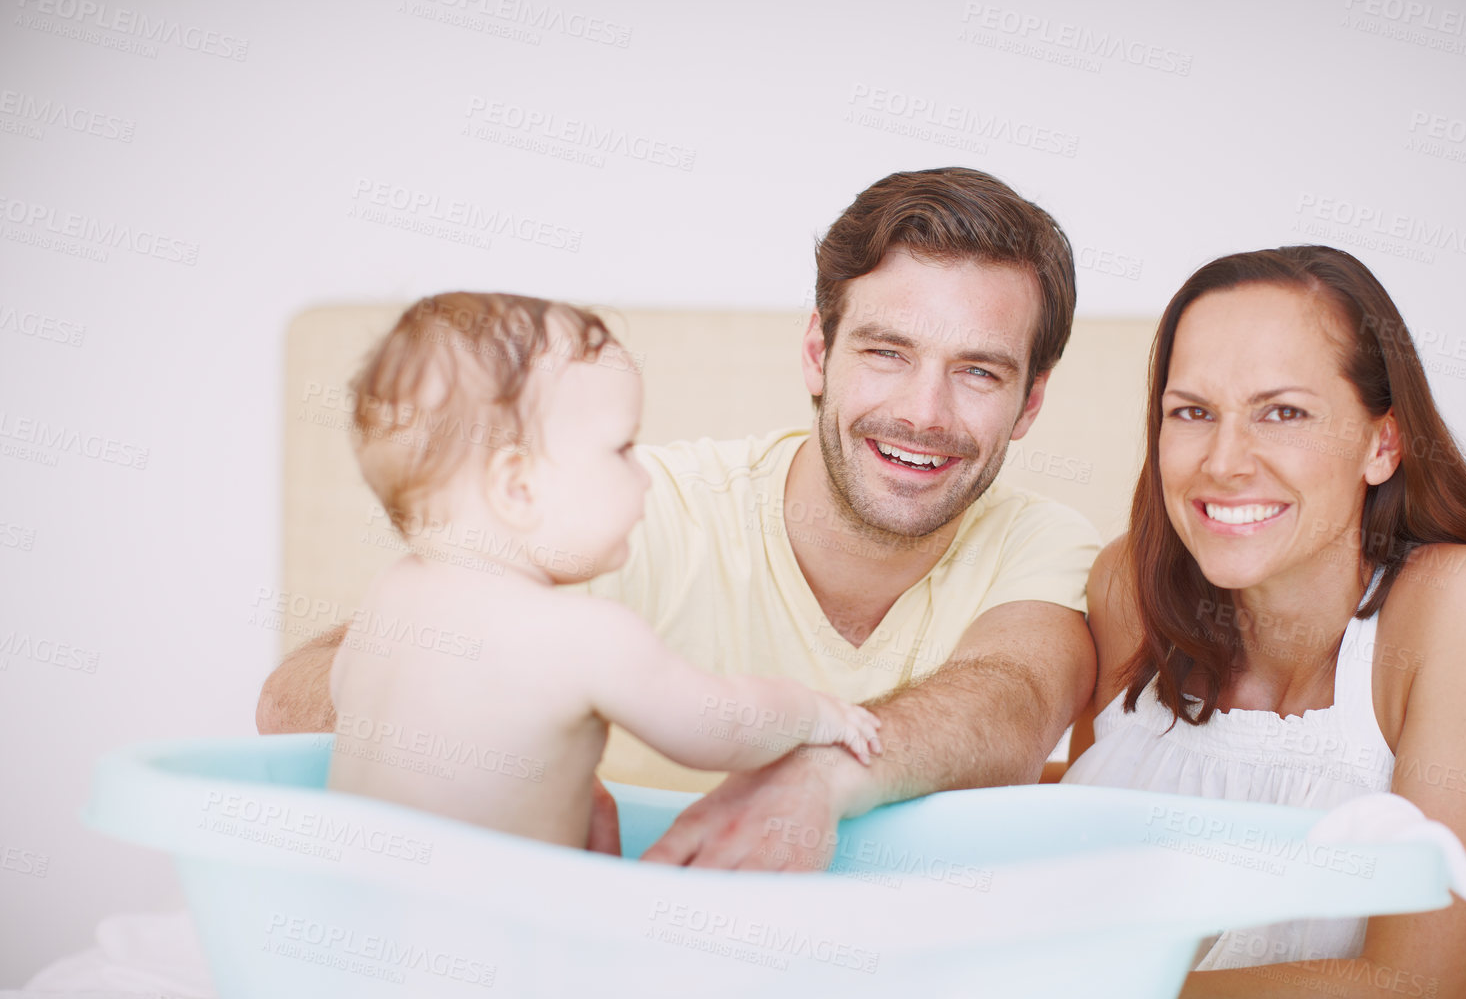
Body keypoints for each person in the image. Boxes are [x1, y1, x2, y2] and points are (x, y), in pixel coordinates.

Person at [257, 167, 1101, 867]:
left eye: (979, 373)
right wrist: (512, 756)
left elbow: (1015, 702)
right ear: (818, 352)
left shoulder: (1044, 543)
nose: (923, 412)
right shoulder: (630, 512)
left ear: (1030, 404)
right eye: (887, 352)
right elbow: (294, 701)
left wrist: (822, 773)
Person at [1063, 245, 1466, 999]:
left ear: (1383, 444)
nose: (1224, 463)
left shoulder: (1458, 606)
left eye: (1283, 413)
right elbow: (1094, 859)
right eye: (1191, 412)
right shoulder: (1129, 585)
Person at [324, 292, 880, 848]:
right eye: (623, 450)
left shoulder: (389, 598)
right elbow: (717, 724)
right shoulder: (584, 633)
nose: (645, 477)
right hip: (490, 932)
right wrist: (810, 712)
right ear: (518, 487)